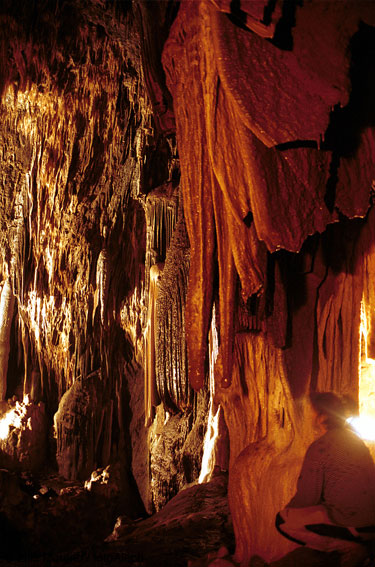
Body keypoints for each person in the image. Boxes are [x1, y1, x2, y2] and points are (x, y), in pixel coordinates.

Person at [275, 392, 375, 566]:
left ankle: (348, 547)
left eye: (311, 413)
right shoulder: (357, 441)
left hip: (352, 521)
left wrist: (291, 510)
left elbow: (308, 497)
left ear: (322, 417)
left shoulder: (321, 447)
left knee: (283, 521)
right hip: (372, 520)